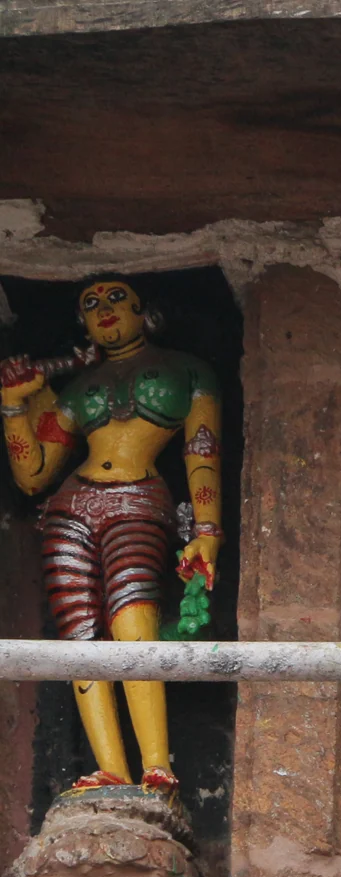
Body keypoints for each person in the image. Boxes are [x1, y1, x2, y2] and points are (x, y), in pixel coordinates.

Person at [1, 278, 223, 797]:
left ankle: (155, 766)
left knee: (132, 618)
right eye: (91, 304)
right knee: (79, 633)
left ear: (147, 310)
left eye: (117, 298)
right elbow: (33, 474)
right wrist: (14, 406)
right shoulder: (80, 388)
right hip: (72, 506)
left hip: (139, 497)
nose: (104, 310)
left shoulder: (187, 371)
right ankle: (111, 768)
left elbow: (202, 450)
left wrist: (209, 531)